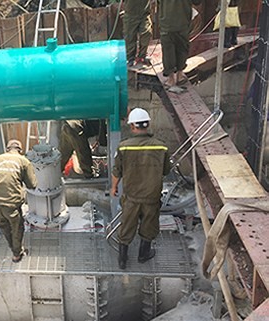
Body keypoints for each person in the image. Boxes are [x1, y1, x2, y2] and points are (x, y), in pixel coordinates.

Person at [110, 108, 171, 270]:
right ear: (148, 124)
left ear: (132, 127)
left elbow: (117, 171)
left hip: (131, 197)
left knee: (127, 226)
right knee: (149, 226)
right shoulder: (162, 148)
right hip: (151, 197)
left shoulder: (124, 148)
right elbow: (166, 171)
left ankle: (122, 260)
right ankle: (143, 255)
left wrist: (114, 187)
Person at [0, 139, 38, 263]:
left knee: (4, 226)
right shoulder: (24, 161)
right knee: (17, 228)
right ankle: (16, 254)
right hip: (11, 204)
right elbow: (32, 184)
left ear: (7, 149)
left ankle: (14, 248)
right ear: (20, 151)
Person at [158, 0, 201, 87]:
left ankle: (171, 79)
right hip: (183, 22)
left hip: (166, 22)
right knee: (182, 48)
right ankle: (180, 75)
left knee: (168, 50)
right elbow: (197, 2)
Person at [124, 0, 152, 67]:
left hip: (144, 13)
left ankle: (142, 55)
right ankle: (130, 58)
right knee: (130, 37)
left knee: (147, 32)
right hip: (130, 14)